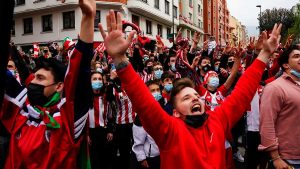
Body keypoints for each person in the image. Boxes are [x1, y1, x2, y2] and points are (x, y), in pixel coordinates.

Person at [99, 10, 282, 169]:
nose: (195, 98)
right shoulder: (169, 131)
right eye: (186, 98)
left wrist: (265, 54)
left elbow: (242, 93)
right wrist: (120, 60)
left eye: (195, 95)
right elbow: (143, 102)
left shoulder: (217, 120)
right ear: (176, 112)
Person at [0, 0, 96, 168]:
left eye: (41, 79)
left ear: (59, 86)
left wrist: (88, 17)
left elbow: (80, 73)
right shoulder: (20, 107)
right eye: (35, 77)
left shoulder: (67, 117)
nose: (33, 82)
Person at [259, 44, 300, 169]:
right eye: (297, 56)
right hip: (287, 160)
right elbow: (267, 124)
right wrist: (276, 158)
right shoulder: (275, 88)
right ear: (286, 65)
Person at [88, 71, 114, 169]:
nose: (97, 81)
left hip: (104, 133)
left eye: (99, 79)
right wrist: (86, 135)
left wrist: (110, 131)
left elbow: (110, 116)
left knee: (105, 161)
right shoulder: (85, 98)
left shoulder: (105, 97)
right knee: (94, 162)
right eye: (94, 79)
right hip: (90, 134)